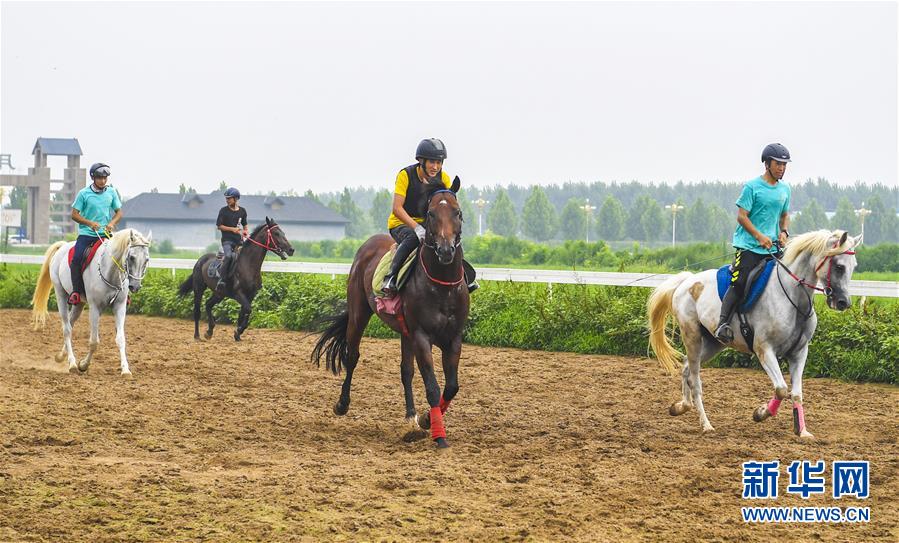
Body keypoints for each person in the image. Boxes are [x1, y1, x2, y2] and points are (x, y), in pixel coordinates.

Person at [714, 143, 792, 342]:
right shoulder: (752, 187)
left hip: (773, 248)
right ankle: (722, 323)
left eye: (784, 165)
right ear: (767, 164)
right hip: (749, 246)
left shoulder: (785, 189)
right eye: (778, 164)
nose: (782, 168)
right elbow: (742, 216)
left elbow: (785, 215)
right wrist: (759, 236)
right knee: (740, 282)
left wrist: (784, 232)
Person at [381, 138, 477, 295]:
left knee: (451, 239)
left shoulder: (444, 178)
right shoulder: (405, 175)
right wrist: (416, 228)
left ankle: (465, 278)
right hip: (401, 223)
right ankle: (391, 277)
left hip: (429, 223)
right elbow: (397, 208)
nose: (436, 167)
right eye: (432, 162)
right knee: (412, 238)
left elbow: (446, 208)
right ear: (421, 161)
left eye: (439, 162)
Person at [68, 163, 123, 305]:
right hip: (87, 234)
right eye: (100, 178)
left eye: (105, 178)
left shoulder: (111, 192)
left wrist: (111, 223)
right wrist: (89, 223)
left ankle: (122, 292)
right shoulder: (84, 194)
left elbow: (119, 213)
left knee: (121, 257)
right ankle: (76, 292)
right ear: (93, 177)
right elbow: (74, 215)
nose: (103, 181)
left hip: (105, 234)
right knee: (76, 259)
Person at [215, 187, 248, 291]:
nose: (227, 200)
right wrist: (232, 229)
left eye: (229, 198)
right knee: (229, 256)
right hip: (227, 241)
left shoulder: (242, 211)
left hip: (239, 241)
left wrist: (245, 231)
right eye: (226, 198)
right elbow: (219, 226)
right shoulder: (223, 211)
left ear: (236, 199)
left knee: (249, 256)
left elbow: (245, 224)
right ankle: (222, 280)